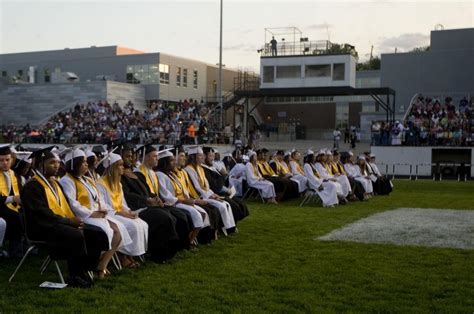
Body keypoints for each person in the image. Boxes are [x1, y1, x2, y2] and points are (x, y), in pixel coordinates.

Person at [22, 146, 109, 288]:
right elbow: (42, 213)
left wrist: (73, 221)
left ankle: (88, 269)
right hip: (42, 227)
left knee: (96, 233)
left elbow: (66, 207)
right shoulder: (33, 186)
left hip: (58, 223)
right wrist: (69, 222)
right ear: (40, 165)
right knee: (75, 235)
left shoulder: (55, 183)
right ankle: (75, 275)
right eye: (51, 163)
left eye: (57, 162)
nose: (56, 165)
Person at [59, 148, 127, 278]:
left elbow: (98, 199)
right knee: (106, 231)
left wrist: (103, 210)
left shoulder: (87, 180)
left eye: (86, 162)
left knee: (118, 230)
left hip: (97, 214)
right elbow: (73, 203)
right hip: (81, 217)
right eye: (82, 162)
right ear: (74, 164)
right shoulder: (66, 181)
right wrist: (91, 213)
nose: (86, 164)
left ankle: (102, 265)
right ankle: (96, 265)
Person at [97, 151, 149, 268]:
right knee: (132, 226)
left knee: (142, 224)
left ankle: (131, 255)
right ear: (112, 168)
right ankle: (122, 257)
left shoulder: (118, 184)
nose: (123, 167)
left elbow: (122, 203)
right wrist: (121, 213)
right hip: (110, 214)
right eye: (120, 165)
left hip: (119, 212)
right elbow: (103, 205)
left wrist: (129, 212)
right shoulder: (101, 184)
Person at [185, 146, 236, 234]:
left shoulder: (200, 168)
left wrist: (213, 194)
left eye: (202, 155)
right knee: (221, 206)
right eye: (200, 156)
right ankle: (224, 229)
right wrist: (210, 196)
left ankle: (230, 228)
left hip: (206, 194)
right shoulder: (189, 169)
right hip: (199, 196)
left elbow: (206, 185)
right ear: (193, 157)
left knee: (225, 203)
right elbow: (197, 187)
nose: (202, 157)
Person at [0, 144, 24, 257]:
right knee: (15, 217)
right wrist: (12, 199)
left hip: (10, 205)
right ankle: (15, 251)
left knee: (24, 213)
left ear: (12, 160)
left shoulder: (12, 173)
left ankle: (24, 246)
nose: (4, 163)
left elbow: (16, 191)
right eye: (1, 160)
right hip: (1, 206)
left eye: (7, 160)